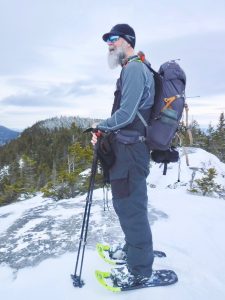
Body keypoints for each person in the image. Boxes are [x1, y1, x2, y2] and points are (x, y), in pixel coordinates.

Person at [91, 24, 155, 288]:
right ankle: (132, 250)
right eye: (108, 40)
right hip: (128, 149)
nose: (109, 44)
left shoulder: (135, 69)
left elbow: (127, 115)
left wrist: (100, 127)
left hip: (132, 152)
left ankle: (139, 270)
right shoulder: (133, 67)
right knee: (126, 205)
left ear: (127, 42)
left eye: (114, 39)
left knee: (131, 209)